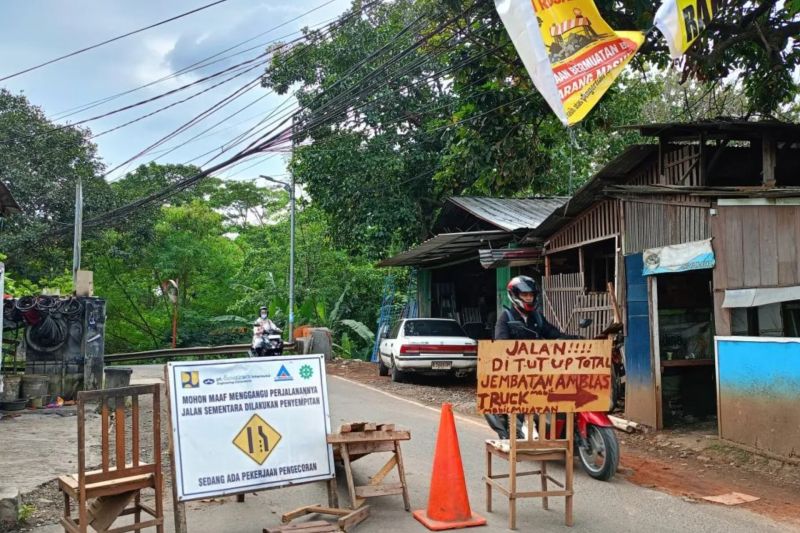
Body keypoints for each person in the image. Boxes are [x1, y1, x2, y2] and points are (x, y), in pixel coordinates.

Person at [485, 275, 574, 439]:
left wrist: (571, 339)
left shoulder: (537, 318)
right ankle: (513, 430)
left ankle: (558, 430)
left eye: (531, 295)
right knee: (516, 401)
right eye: (525, 295)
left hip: (539, 368)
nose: (529, 298)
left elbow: (552, 333)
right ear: (515, 296)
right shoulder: (506, 318)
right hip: (516, 372)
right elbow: (500, 344)